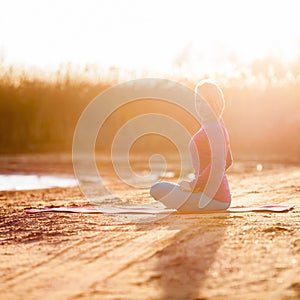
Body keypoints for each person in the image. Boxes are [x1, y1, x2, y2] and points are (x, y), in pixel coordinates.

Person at [150, 79, 233, 211]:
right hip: (214, 196)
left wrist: (195, 185)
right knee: (164, 189)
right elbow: (228, 160)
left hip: (212, 199)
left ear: (214, 103)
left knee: (157, 189)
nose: (199, 106)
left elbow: (219, 164)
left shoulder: (213, 127)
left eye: (204, 102)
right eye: (197, 101)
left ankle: (188, 203)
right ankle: (188, 202)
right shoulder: (216, 123)